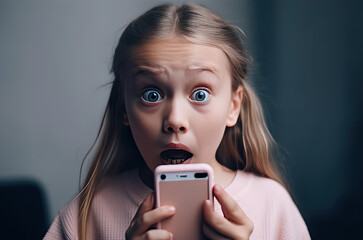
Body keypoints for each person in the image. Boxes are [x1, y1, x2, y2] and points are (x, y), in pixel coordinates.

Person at [44, 3, 310, 240]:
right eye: (152, 95)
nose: (175, 121)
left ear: (233, 106)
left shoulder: (272, 205)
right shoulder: (87, 215)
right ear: (123, 108)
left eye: (200, 94)